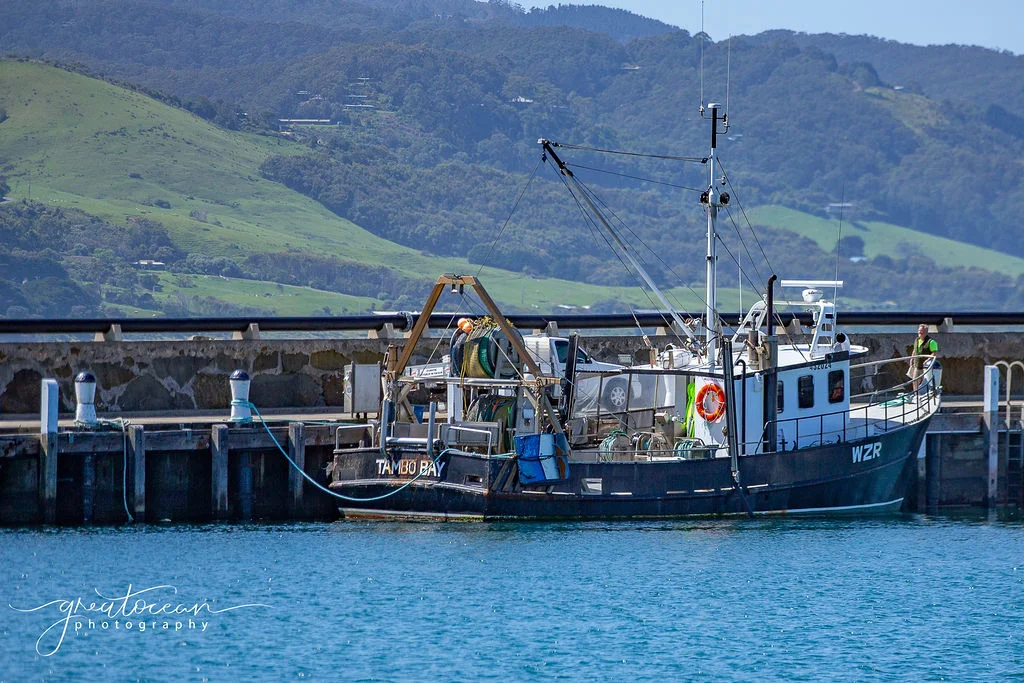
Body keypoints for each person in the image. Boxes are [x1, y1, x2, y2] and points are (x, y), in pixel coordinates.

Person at [910, 323, 939, 392]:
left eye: (922, 331)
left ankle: (926, 394)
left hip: (926, 367)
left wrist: (928, 360)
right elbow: (915, 350)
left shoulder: (931, 342)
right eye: (919, 330)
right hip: (917, 365)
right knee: (914, 380)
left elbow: (934, 353)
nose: (920, 332)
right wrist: (912, 358)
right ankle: (916, 395)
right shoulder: (917, 340)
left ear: (926, 332)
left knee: (924, 382)